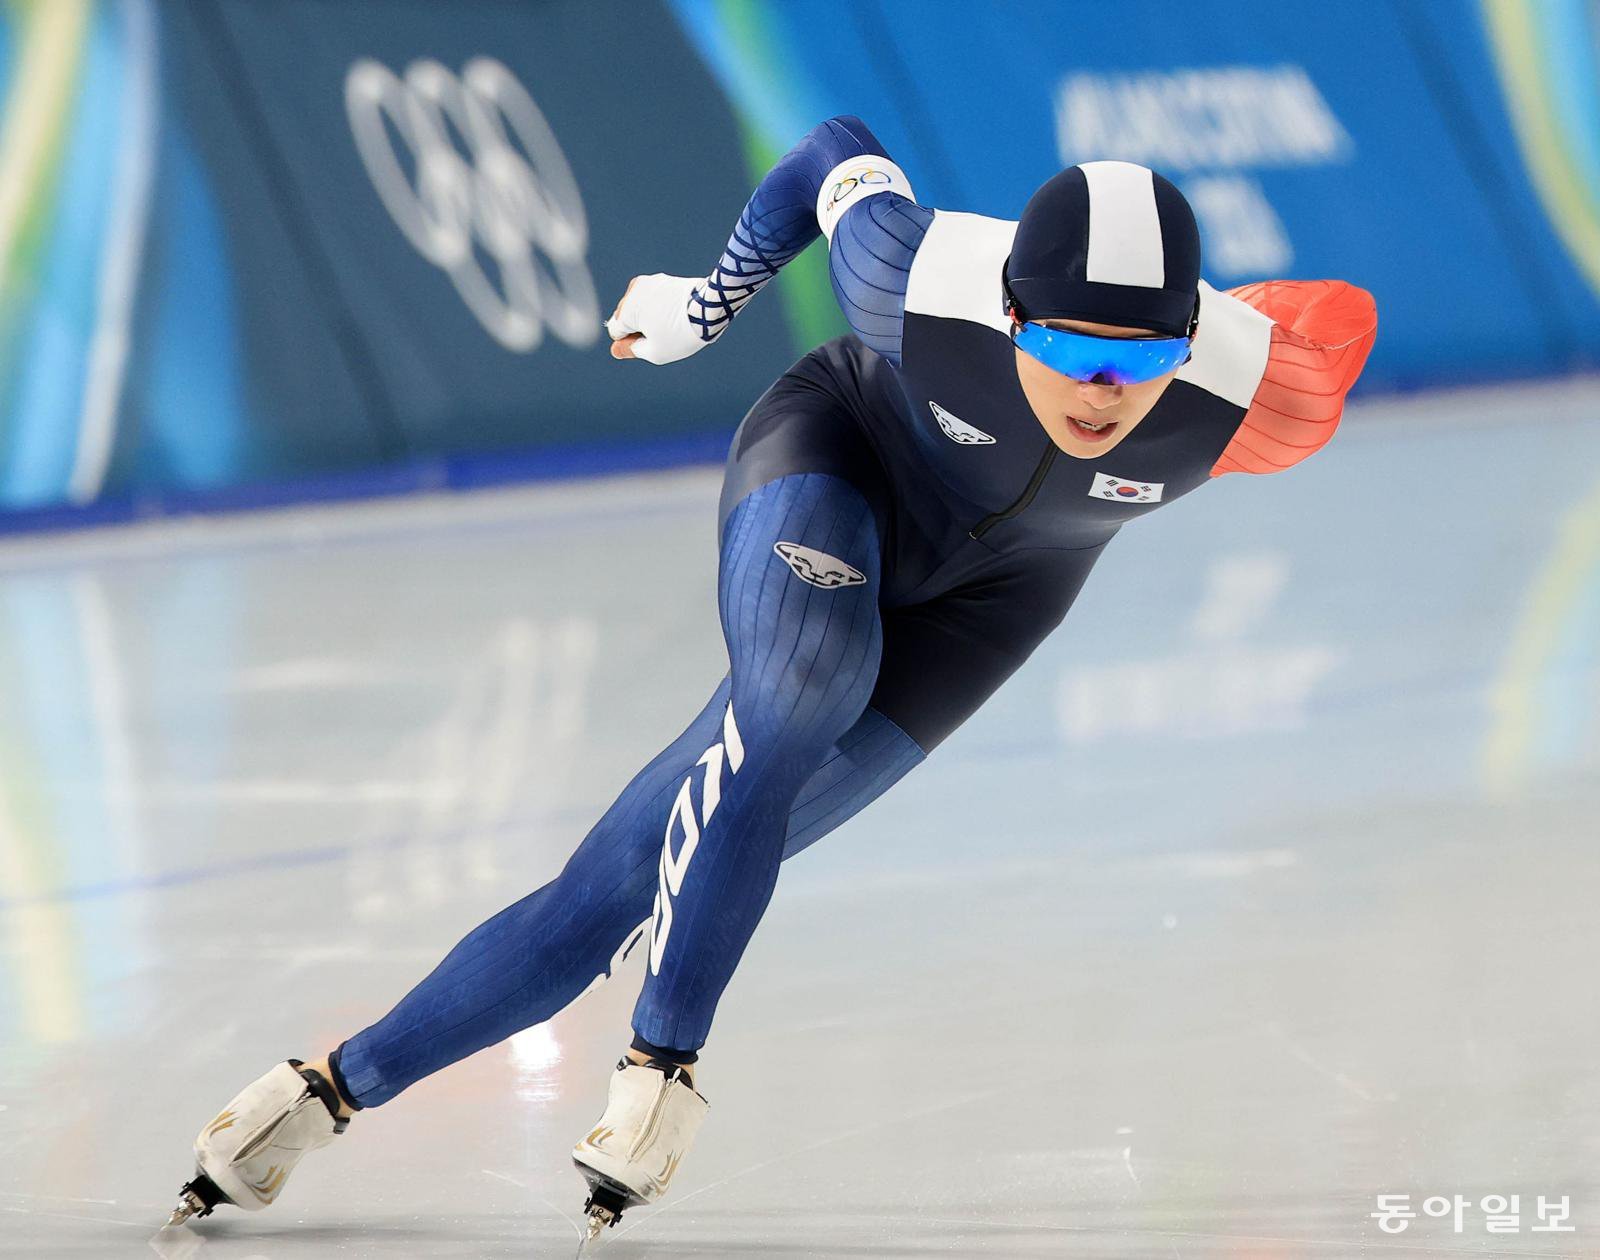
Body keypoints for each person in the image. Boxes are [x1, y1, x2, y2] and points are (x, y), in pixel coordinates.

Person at [164, 116, 1377, 1241]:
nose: (1103, 393)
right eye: (1065, 346)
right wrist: (704, 308)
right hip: (839, 464)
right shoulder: (919, 279)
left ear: (1192, 340)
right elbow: (829, 153)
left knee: (629, 877)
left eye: (1145, 354)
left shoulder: (1261, 395)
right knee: (801, 692)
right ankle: (662, 1064)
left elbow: (1330, 323)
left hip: (998, 602)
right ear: (1011, 315)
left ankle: (322, 1093)